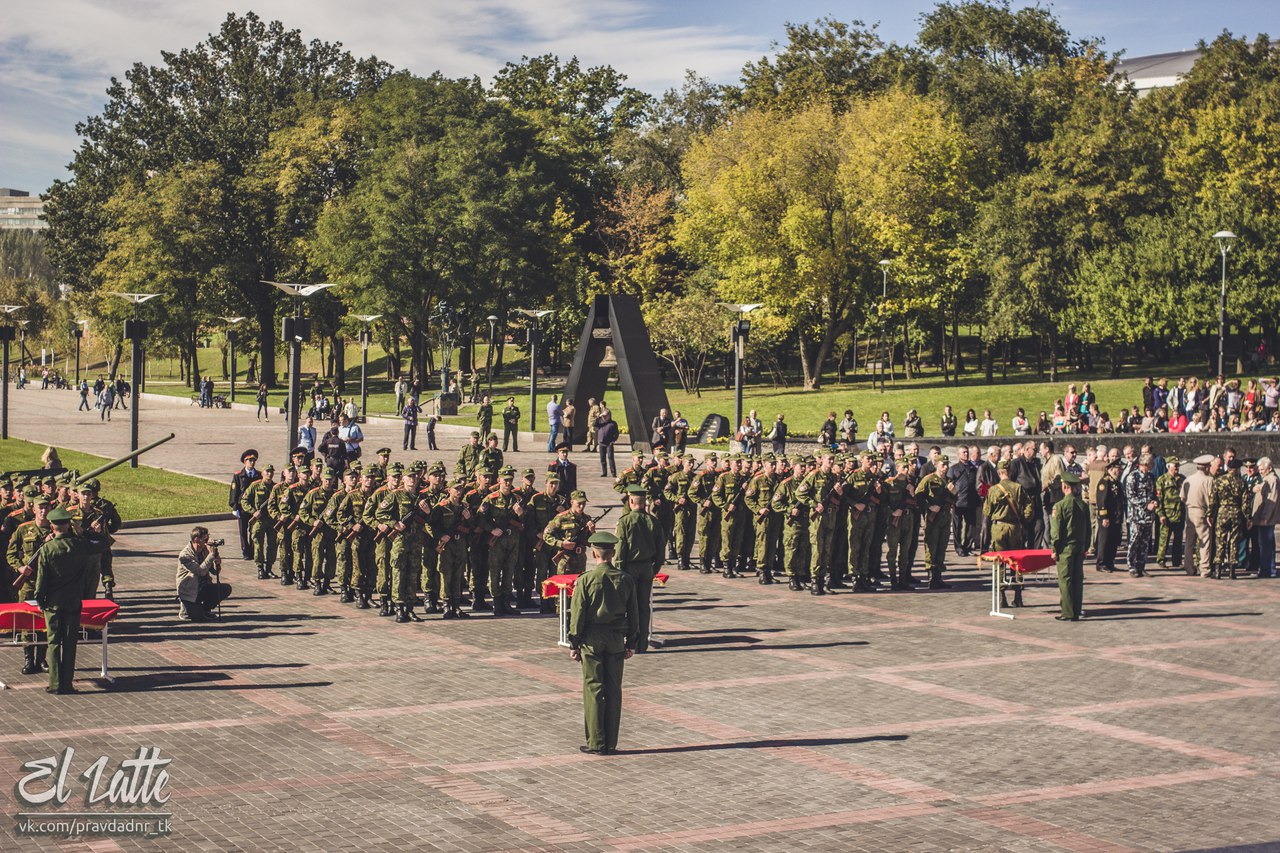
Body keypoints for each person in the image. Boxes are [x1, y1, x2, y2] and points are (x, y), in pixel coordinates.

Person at [568, 531, 639, 756]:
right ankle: (611, 742)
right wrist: (632, 642)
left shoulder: (586, 579)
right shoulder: (625, 579)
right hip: (616, 638)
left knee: (593, 689)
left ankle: (596, 742)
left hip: (592, 638)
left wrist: (574, 642)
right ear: (613, 553)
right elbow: (635, 614)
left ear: (593, 553)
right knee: (614, 690)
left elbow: (577, 613)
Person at [33, 507, 94, 694]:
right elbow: (104, 542)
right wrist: (81, 531)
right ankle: (67, 684)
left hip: (52, 603)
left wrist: (40, 600)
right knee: (69, 643)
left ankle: (55, 683)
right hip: (73, 601)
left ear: (52, 526)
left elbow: (41, 581)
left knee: (53, 643)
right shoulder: (79, 545)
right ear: (68, 524)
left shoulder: (47, 549)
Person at [614, 486, 664, 652]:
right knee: (643, 606)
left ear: (631, 501)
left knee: (629, 607)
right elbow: (660, 549)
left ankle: (631, 642)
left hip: (629, 568)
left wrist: (618, 571)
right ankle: (642, 644)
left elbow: (620, 550)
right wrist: (655, 568)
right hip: (647, 567)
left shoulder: (625, 521)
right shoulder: (654, 521)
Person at [1050, 472, 1090, 621]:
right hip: (1079, 547)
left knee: (1065, 580)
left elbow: (1056, 531)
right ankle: (1077, 610)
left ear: (1065, 486)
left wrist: (1054, 549)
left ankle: (1067, 612)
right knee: (1077, 579)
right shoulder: (1083, 505)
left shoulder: (1059, 506)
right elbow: (1088, 529)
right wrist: (1086, 546)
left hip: (1065, 548)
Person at [176, 526, 232, 621]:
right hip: (190, 591)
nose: (207, 541)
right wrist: (211, 556)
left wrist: (216, 562)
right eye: (205, 539)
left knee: (225, 589)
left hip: (203, 587)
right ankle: (185, 609)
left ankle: (205, 609)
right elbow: (200, 571)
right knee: (199, 618)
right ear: (197, 539)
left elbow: (214, 572)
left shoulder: (204, 550)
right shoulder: (185, 555)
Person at [229, 449, 261, 561]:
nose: (252, 462)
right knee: (243, 531)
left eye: (253, 460)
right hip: (242, 508)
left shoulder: (259, 475)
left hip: (254, 508)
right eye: (250, 460)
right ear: (245, 461)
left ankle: (252, 550)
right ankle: (245, 550)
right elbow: (234, 491)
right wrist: (234, 507)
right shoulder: (238, 476)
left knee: (254, 530)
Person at [1251, 457, 1278, 578]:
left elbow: (1272, 499)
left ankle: (1266, 570)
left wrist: (1265, 516)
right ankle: (1269, 568)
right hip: (1264, 518)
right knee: (1267, 544)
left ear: (1270, 468)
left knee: (1265, 544)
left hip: (1266, 519)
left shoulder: (1272, 479)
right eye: (1259, 469)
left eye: (1263, 469)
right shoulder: (1267, 479)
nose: (1260, 471)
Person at [594, 409, 619, 478]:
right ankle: (604, 472)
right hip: (601, 443)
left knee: (610, 458)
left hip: (609, 443)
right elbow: (594, 424)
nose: (604, 417)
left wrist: (613, 441)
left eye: (605, 416)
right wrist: (599, 417)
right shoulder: (600, 422)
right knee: (602, 459)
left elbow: (616, 433)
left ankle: (613, 472)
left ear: (609, 415)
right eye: (603, 416)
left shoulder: (613, 423)